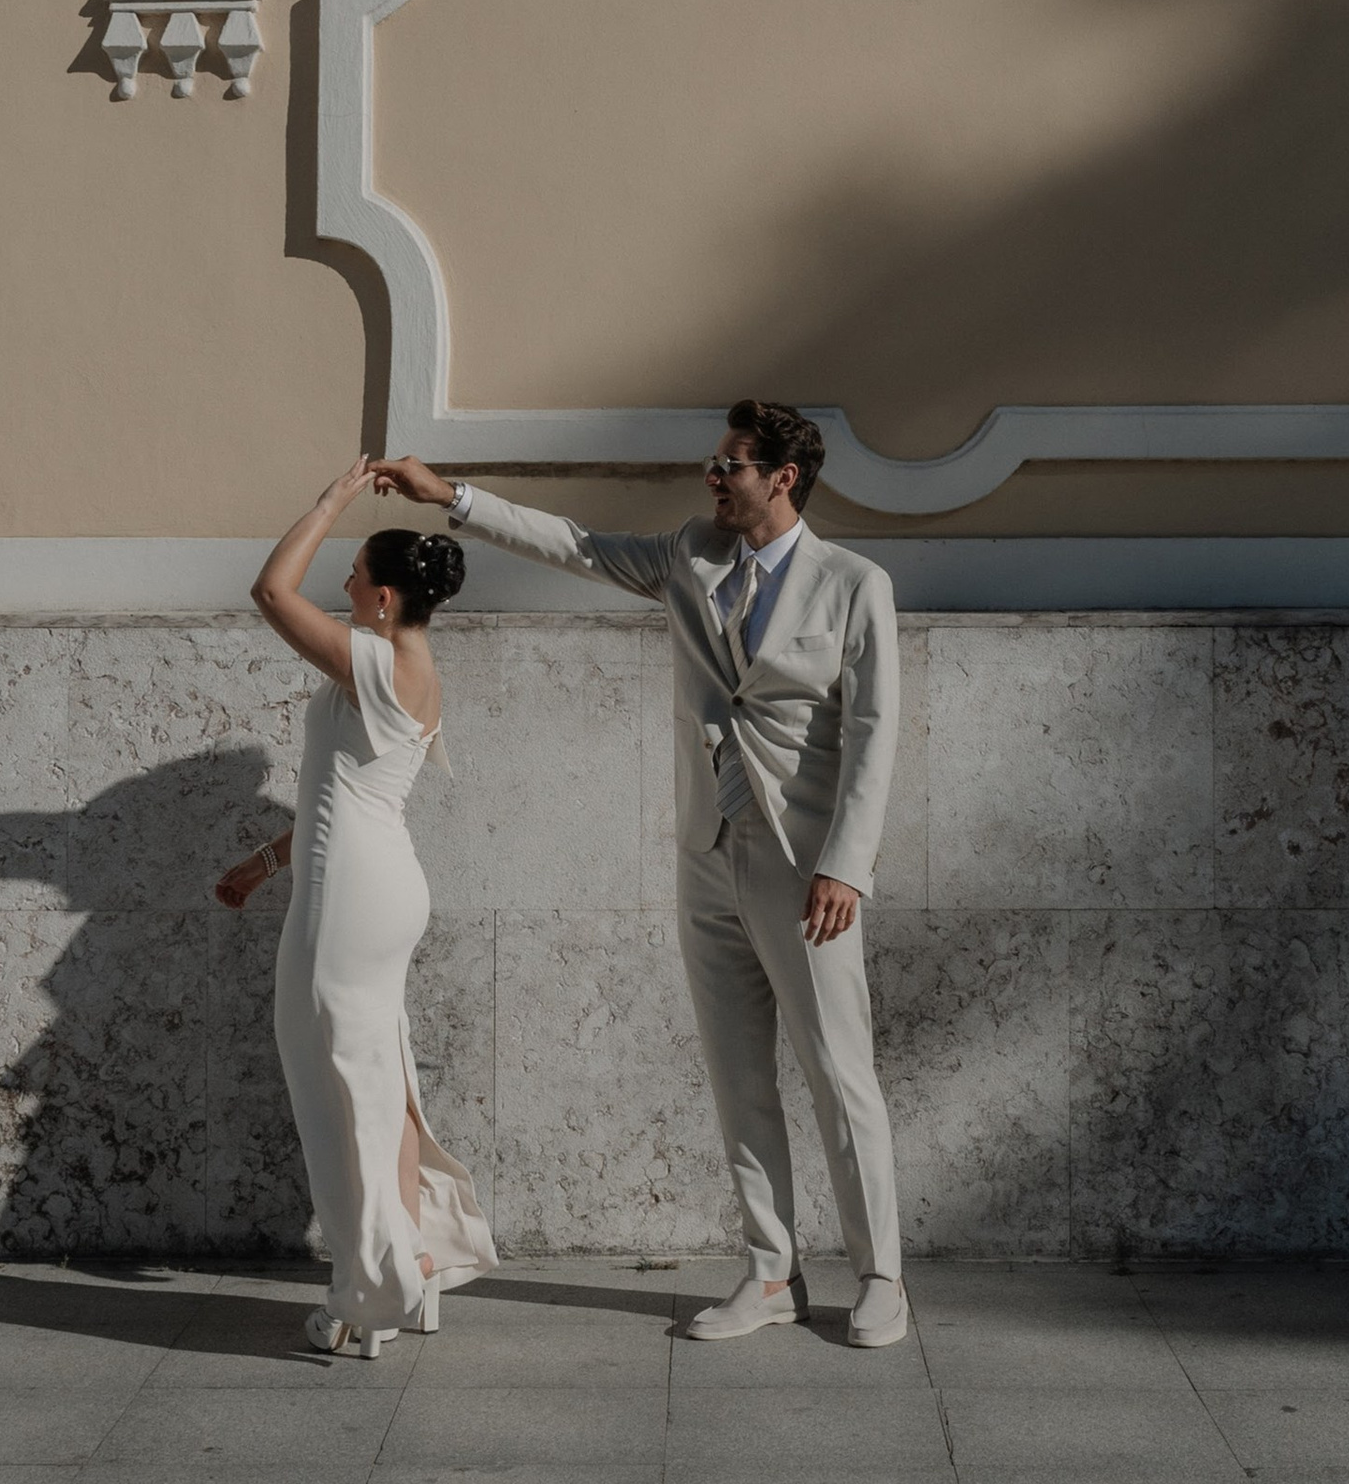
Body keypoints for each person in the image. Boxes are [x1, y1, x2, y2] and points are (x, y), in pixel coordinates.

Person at [378, 405, 906, 1348]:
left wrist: (846, 867)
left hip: (805, 868)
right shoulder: (690, 557)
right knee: (738, 1077)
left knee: (839, 1073)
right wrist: (450, 496)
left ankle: (880, 1276)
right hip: (708, 853)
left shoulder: (855, 585)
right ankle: (772, 1273)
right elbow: (575, 545)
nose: (713, 478)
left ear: (783, 477)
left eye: (731, 465)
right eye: (715, 463)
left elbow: (873, 738)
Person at [216, 460, 498, 1360]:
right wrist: (263, 864)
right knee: (378, 1079)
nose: (339, 585)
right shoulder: (409, 665)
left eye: (352, 576)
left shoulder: (376, 661)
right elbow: (344, 792)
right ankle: (406, 1255)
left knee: (331, 1082)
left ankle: (361, 1291)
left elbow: (269, 589)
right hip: (372, 882)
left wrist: (331, 499)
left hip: (352, 894)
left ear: (381, 599)